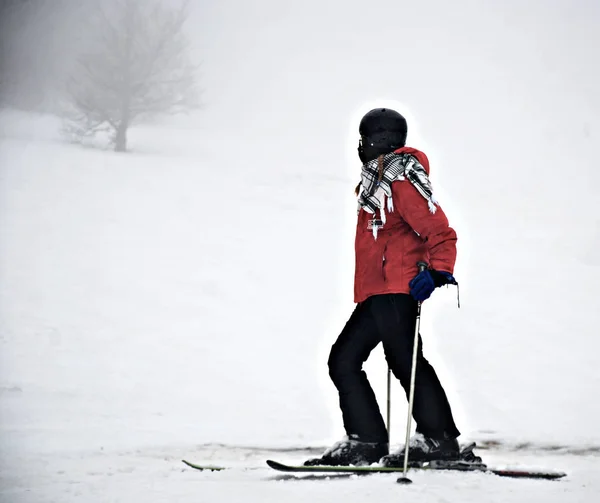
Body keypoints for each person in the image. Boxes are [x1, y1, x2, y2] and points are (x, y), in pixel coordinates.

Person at [305, 108, 461, 467]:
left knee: (403, 363)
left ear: (377, 139)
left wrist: (438, 271)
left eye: (363, 139)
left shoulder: (401, 182)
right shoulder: (376, 185)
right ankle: (367, 441)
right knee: (344, 360)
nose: (359, 146)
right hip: (378, 293)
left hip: (396, 291)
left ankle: (439, 441)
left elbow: (440, 231)